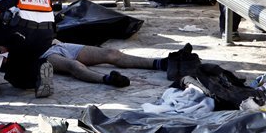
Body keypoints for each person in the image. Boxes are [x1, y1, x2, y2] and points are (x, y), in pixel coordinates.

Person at [39, 40, 169, 87]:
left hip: (58, 44)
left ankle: (162, 63)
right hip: (43, 53)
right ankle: (108, 79)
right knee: (74, 66)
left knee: (112, 53)